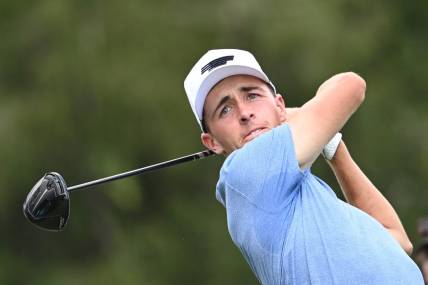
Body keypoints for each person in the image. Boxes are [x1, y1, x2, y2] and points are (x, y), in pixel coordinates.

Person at [184, 49, 424, 284]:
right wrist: (301, 119)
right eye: (225, 110)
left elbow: (398, 241)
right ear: (212, 142)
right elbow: (351, 86)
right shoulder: (243, 172)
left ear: (279, 105)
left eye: (252, 96)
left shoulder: (310, 197)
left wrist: (333, 146)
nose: (245, 113)